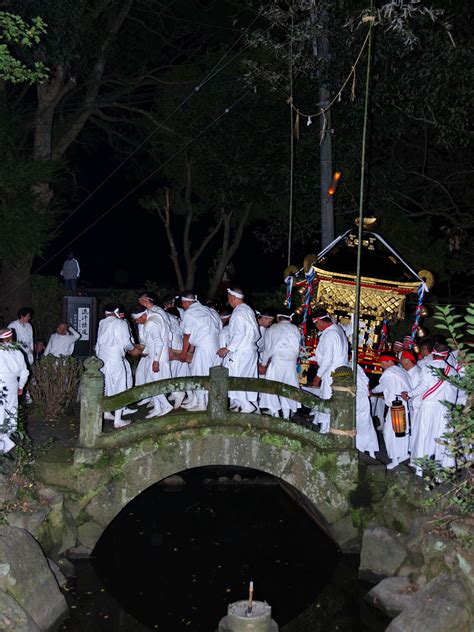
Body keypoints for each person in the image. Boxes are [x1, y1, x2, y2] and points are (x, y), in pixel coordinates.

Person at [401, 342, 459, 474]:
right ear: (446, 356)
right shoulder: (453, 372)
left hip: (428, 407)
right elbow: (453, 393)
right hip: (444, 408)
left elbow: (422, 387)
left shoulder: (427, 367)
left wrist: (409, 394)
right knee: (442, 437)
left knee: (424, 436)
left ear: (433, 353)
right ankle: (440, 471)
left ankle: (420, 471)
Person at [305, 308, 349, 433]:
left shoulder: (329, 334)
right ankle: (327, 429)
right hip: (338, 371)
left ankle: (325, 431)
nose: (317, 327)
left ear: (320, 321)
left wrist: (317, 377)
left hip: (331, 373)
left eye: (316, 324)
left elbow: (327, 360)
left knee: (327, 399)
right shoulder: (337, 329)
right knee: (331, 400)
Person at [217, 287, 260, 413]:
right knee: (244, 378)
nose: (228, 300)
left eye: (229, 297)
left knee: (232, 377)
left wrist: (227, 349)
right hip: (250, 350)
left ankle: (246, 405)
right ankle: (246, 405)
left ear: (233, 297)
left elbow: (239, 333)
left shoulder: (239, 312)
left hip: (241, 351)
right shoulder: (248, 310)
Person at [95, 304, 136, 428]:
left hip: (102, 358)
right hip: (115, 358)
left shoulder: (102, 322)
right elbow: (126, 343)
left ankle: (107, 412)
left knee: (106, 385)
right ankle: (118, 420)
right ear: (116, 312)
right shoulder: (120, 323)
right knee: (120, 386)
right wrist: (133, 349)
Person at [179, 291, 221, 411]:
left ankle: (202, 404)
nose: (182, 306)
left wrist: (183, 353)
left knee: (200, 374)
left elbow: (187, 335)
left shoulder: (190, 313)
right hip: (214, 345)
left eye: (182, 303)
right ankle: (200, 401)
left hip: (204, 346)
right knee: (206, 373)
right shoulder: (206, 309)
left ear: (187, 302)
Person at [370, 352, 411, 470]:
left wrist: (371, 391)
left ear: (388, 361)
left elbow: (381, 387)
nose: (381, 365)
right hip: (404, 405)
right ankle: (403, 454)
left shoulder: (389, 373)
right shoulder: (401, 370)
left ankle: (395, 460)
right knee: (401, 432)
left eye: (382, 363)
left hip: (396, 406)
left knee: (390, 434)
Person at [131, 305, 173, 418]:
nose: (137, 322)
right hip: (155, 355)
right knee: (150, 382)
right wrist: (145, 351)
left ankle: (166, 405)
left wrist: (156, 361)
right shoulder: (155, 316)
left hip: (158, 357)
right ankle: (158, 408)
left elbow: (158, 342)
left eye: (138, 319)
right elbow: (152, 342)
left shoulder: (151, 323)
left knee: (154, 384)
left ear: (144, 315)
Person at [259, 310, 300, 419]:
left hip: (276, 363)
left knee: (272, 389)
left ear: (278, 318)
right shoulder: (295, 328)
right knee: (288, 388)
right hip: (290, 364)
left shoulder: (273, 328)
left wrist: (263, 364)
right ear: (289, 319)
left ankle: (275, 415)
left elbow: (268, 349)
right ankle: (286, 417)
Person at [0, 329, 29, 453]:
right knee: (11, 409)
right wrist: (21, 386)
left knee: (1, 411)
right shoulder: (18, 351)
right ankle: (6, 440)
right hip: (13, 383)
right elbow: (24, 372)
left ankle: (5, 440)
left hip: (1, 382)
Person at [355, 364, 379, 458]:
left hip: (359, 398)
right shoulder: (357, 366)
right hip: (363, 397)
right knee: (367, 424)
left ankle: (361, 450)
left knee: (362, 425)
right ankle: (371, 452)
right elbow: (366, 381)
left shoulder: (346, 366)